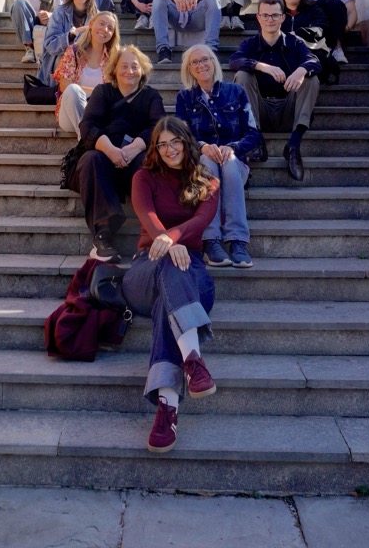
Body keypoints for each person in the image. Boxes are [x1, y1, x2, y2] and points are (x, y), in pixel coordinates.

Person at [123, 117, 219, 454]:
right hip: (145, 270)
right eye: (162, 144)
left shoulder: (208, 182)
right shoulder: (143, 177)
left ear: (186, 141)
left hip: (192, 274)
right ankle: (193, 359)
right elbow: (146, 216)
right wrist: (166, 241)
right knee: (167, 263)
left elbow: (200, 223)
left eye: (174, 142)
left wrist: (173, 238)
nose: (169, 149)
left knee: (171, 298)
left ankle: (168, 407)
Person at [65, 44, 165, 261]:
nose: (130, 71)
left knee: (147, 162)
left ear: (143, 70)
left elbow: (158, 127)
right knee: (91, 159)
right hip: (102, 159)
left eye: (135, 66)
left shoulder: (151, 96)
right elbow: (88, 125)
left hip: (135, 158)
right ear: (114, 69)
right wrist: (111, 150)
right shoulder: (103, 92)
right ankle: (102, 235)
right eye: (124, 66)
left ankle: (150, 237)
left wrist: (132, 148)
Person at [176, 45, 267, 268]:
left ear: (213, 62)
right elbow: (182, 137)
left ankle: (237, 241)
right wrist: (202, 146)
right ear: (189, 69)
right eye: (195, 62)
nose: (201, 65)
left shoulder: (235, 92)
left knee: (229, 161)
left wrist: (233, 147)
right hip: (203, 167)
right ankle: (211, 240)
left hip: (235, 168)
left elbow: (254, 134)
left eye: (205, 59)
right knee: (207, 160)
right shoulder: (184, 98)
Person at [229, 0, 320, 183]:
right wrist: (262, 66)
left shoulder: (294, 43)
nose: (270, 19)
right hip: (259, 112)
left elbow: (314, 60)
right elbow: (234, 61)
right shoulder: (250, 44)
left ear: (282, 18)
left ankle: (293, 146)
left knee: (312, 79)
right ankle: (256, 141)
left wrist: (301, 70)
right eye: (266, 15)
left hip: (288, 109)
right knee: (242, 75)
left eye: (275, 15)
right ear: (258, 18)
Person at [53, 11, 119, 137]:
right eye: (101, 23)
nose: (105, 29)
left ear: (113, 34)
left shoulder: (115, 58)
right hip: (70, 114)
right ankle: (88, 137)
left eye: (110, 28)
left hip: (99, 114)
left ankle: (85, 139)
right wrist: (98, 94)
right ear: (91, 24)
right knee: (73, 89)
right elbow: (65, 86)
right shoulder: (73, 51)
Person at [39, 0, 98, 85]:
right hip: (60, 61)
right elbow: (50, 45)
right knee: (68, 54)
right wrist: (71, 35)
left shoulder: (97, 16)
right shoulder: (60, 13)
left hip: (86, 60)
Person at [280, 0, 334, 80]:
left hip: (308, 54)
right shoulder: (276, 12)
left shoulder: (313, 9)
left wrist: (294, 35)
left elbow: (320, 30)